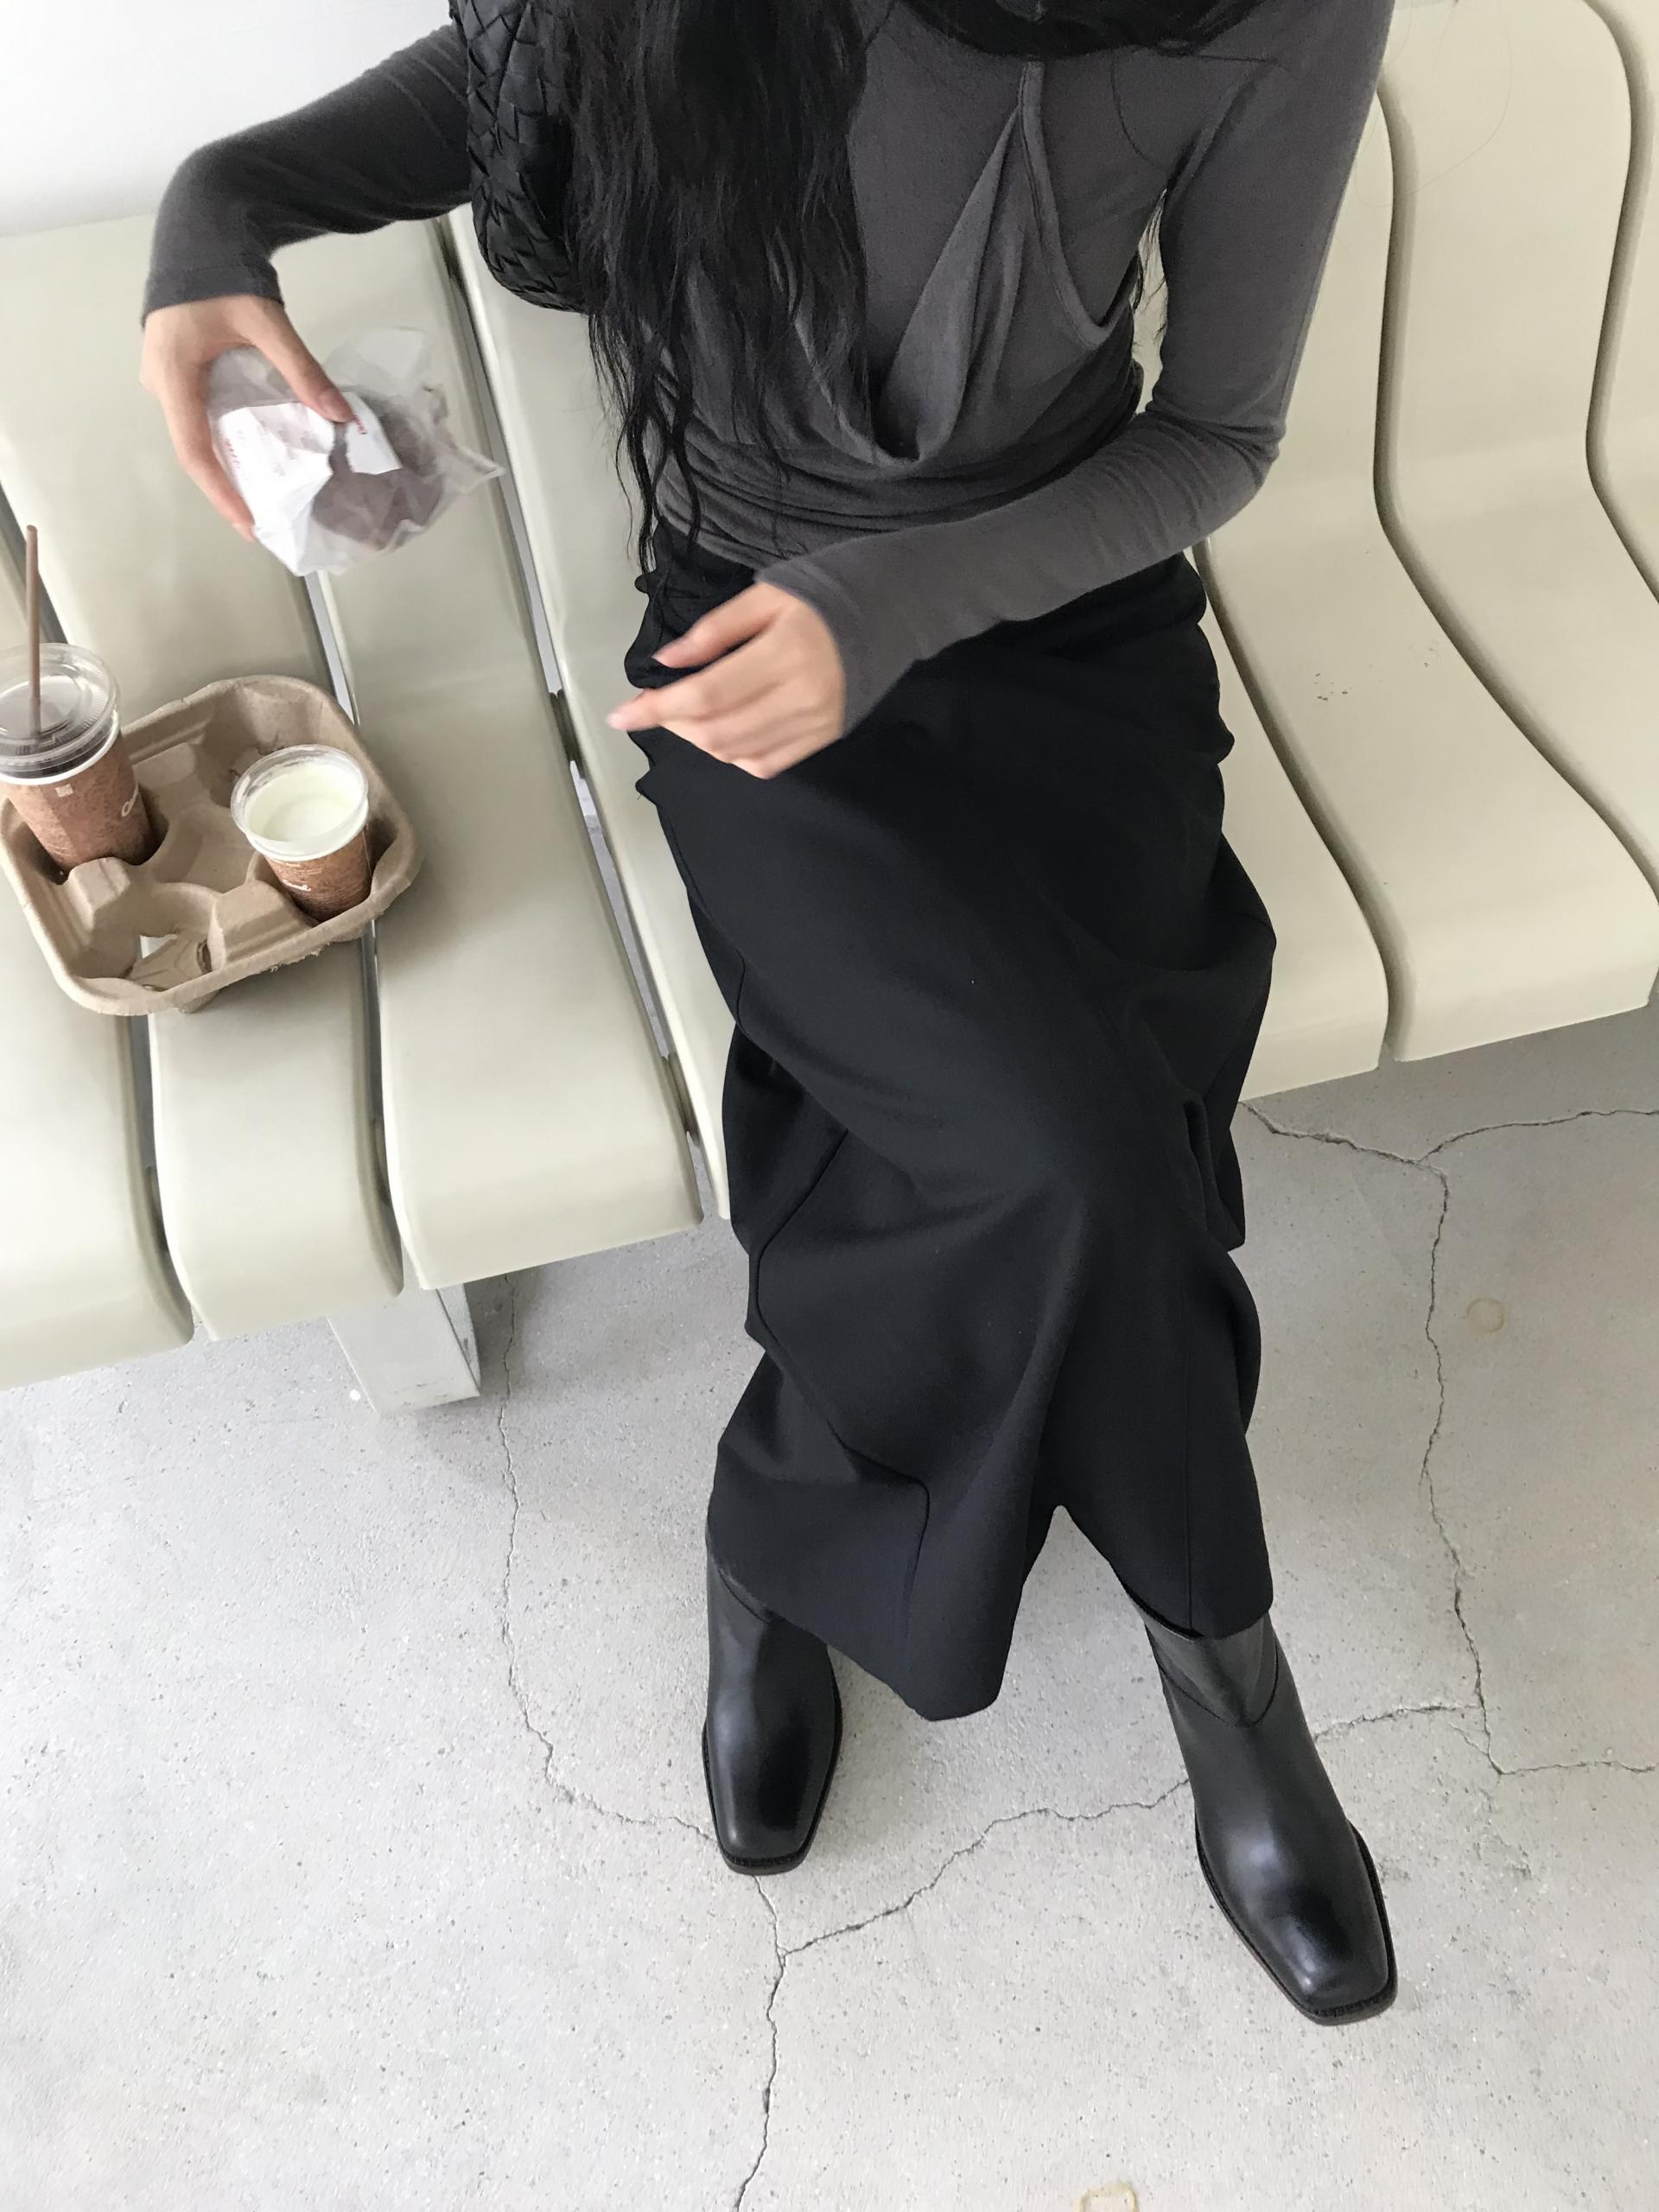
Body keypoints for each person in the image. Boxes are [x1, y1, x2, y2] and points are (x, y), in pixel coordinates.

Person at [141, 0, 1398, 2024]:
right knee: (1083, 1165)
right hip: (740, 648)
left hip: (1063, 649)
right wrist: (223, 199)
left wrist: (892, 605)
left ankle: (780, 1536)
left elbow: (1213, 439)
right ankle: (1222, 1655)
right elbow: (530, 72)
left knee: (1063, 1160)